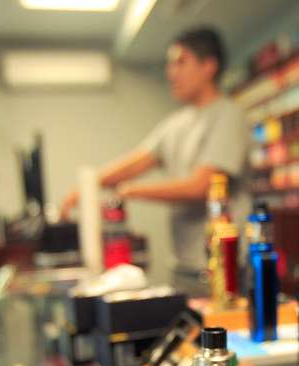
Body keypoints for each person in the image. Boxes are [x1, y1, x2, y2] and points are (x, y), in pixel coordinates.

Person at [60, 27, 249, 294]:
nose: (171, 73)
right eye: (169, 64)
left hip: (225, 269)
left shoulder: (229, 116)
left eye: (180, 62)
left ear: (209, 66)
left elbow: (202, 185)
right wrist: (87, 187)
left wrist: (132, 191)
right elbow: (135, 163)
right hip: (184, 266)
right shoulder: (176, 123)